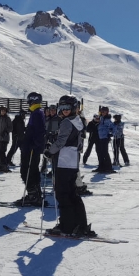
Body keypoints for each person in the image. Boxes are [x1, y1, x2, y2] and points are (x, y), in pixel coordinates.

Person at [45, 95, 96, 237]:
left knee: (62, 194)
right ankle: (80, 224)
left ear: (73, 108)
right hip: (72, 161)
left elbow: (61, 141)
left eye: (67, 107)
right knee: (72, 193)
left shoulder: (67, 122)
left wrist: (50, 151)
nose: (65, 110)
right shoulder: (78, 120)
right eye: (62, 108)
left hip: (64, 161)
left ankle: (67, 226)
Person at [16, 92, 46, 206]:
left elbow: (40, 132)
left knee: (26, 171)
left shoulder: (37, 113)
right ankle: (36, 194)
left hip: (31, 149)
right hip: (32, 147)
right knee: (33, 170)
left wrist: (33, 144)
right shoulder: (37, 112)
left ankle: (33, 195)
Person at [40, 104, 60, 178]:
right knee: (45, 154)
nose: (52, 112)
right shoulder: (47, 119)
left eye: (54, 110)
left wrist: (56, 133)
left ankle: (53, 171)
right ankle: (43, 168)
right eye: (51, 110)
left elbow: (61, 129)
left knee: (54, 156)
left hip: (55, 140)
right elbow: (44, 129)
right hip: (47, 139)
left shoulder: (58, 119)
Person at [93, 106, 114, 173]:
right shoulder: (101, 118)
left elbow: (114, 127)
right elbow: (100, 125)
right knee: (100, 152)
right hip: (100, 137)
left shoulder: (108, 119)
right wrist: (97, 124)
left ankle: (109, 167)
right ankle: (101, 167)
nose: (102, 113)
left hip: (105, 137)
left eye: (104, 111)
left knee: (105, 152)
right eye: (101, 112)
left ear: (107, 112)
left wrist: (111, 134)